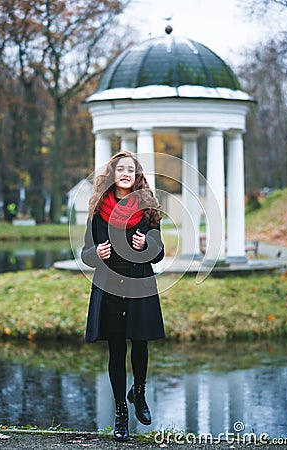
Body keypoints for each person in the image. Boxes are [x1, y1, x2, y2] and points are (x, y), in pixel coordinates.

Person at [81, 151, 165, 442]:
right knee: (116, 349)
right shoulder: (97, 209)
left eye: (131, 169)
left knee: (140, 343)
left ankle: (138, 393)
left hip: (139, 283)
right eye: (120, 169)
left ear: (137, 174)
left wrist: (147, 245)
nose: (126, 173)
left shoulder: (149, 208)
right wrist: (96, 253)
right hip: (109, 285)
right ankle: (120, 412)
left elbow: (159, 250)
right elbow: (86, 254)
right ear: (113, 175)